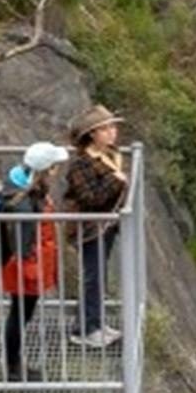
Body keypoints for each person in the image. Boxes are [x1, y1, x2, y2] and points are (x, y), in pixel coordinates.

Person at [0, 141, 68, 381]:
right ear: (46, 170)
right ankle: (13, 369)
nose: (57, 171)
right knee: (19, 314)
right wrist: (32, 270)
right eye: (54, 166)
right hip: (26, 266)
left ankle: (15, 363)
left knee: (21, 313)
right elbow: (23, 241)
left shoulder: (22, 188)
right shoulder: (24, 202)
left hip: (28, 263)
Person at [62, 104, 129, 347]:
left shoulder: (109, 155)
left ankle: (96, 323)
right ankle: (83, 330)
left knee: (99, 276)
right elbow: (91, 198)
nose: (112, 132)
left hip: (105, 225)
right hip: (89, 228)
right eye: (106, 129)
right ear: (92, 134)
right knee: (93, 277)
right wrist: (115, 181)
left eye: (113, 127)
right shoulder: (81, 164)